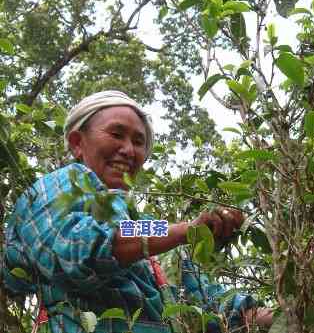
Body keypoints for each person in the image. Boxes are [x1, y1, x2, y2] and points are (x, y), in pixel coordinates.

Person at [3, 90, 272, 333]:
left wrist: (283, 315)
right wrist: (185, 230)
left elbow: (215, 304)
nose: (129, 150)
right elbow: (77, 249)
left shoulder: (149, 231)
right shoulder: (57, 186)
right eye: (116, 134)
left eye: (139, 142)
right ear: (77, 143)